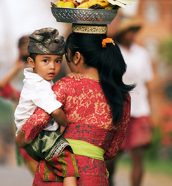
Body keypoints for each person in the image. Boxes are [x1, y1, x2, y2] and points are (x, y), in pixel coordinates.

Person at [15, 24, 134, 185]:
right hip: (95, 176)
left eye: (64, 58)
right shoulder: (123, 97)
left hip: (56, 175)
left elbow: (37, 122)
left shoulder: (66, 85)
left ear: (77, 57)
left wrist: (20, 139)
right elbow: (112, 150)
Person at [15, 28, 80, 186]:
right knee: (68, 163)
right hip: (37, 136)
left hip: (37, 134)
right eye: (46, 60)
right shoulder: (38, 84)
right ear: (32, 62)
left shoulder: (38, 79)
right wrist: (64, 123)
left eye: (57, 61)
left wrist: (68, 77)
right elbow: (56, 111)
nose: (52, 66)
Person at [106, 18, 153, 186]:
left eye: (134, 30)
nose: (132, 34)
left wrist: (151, 112)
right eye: (129, 30)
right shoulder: (112, 51)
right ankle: (110, 181)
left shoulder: (142, 53)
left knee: (138, 155)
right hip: (118, 109)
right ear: (121, 32)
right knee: (112, 154)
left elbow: (148, 83)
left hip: (140, 109)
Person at [0, 35, 39, 173]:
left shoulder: (42, 76)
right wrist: (16, 68)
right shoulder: (20, 84)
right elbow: (1, 87)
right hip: (27, 139)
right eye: (22, 48)